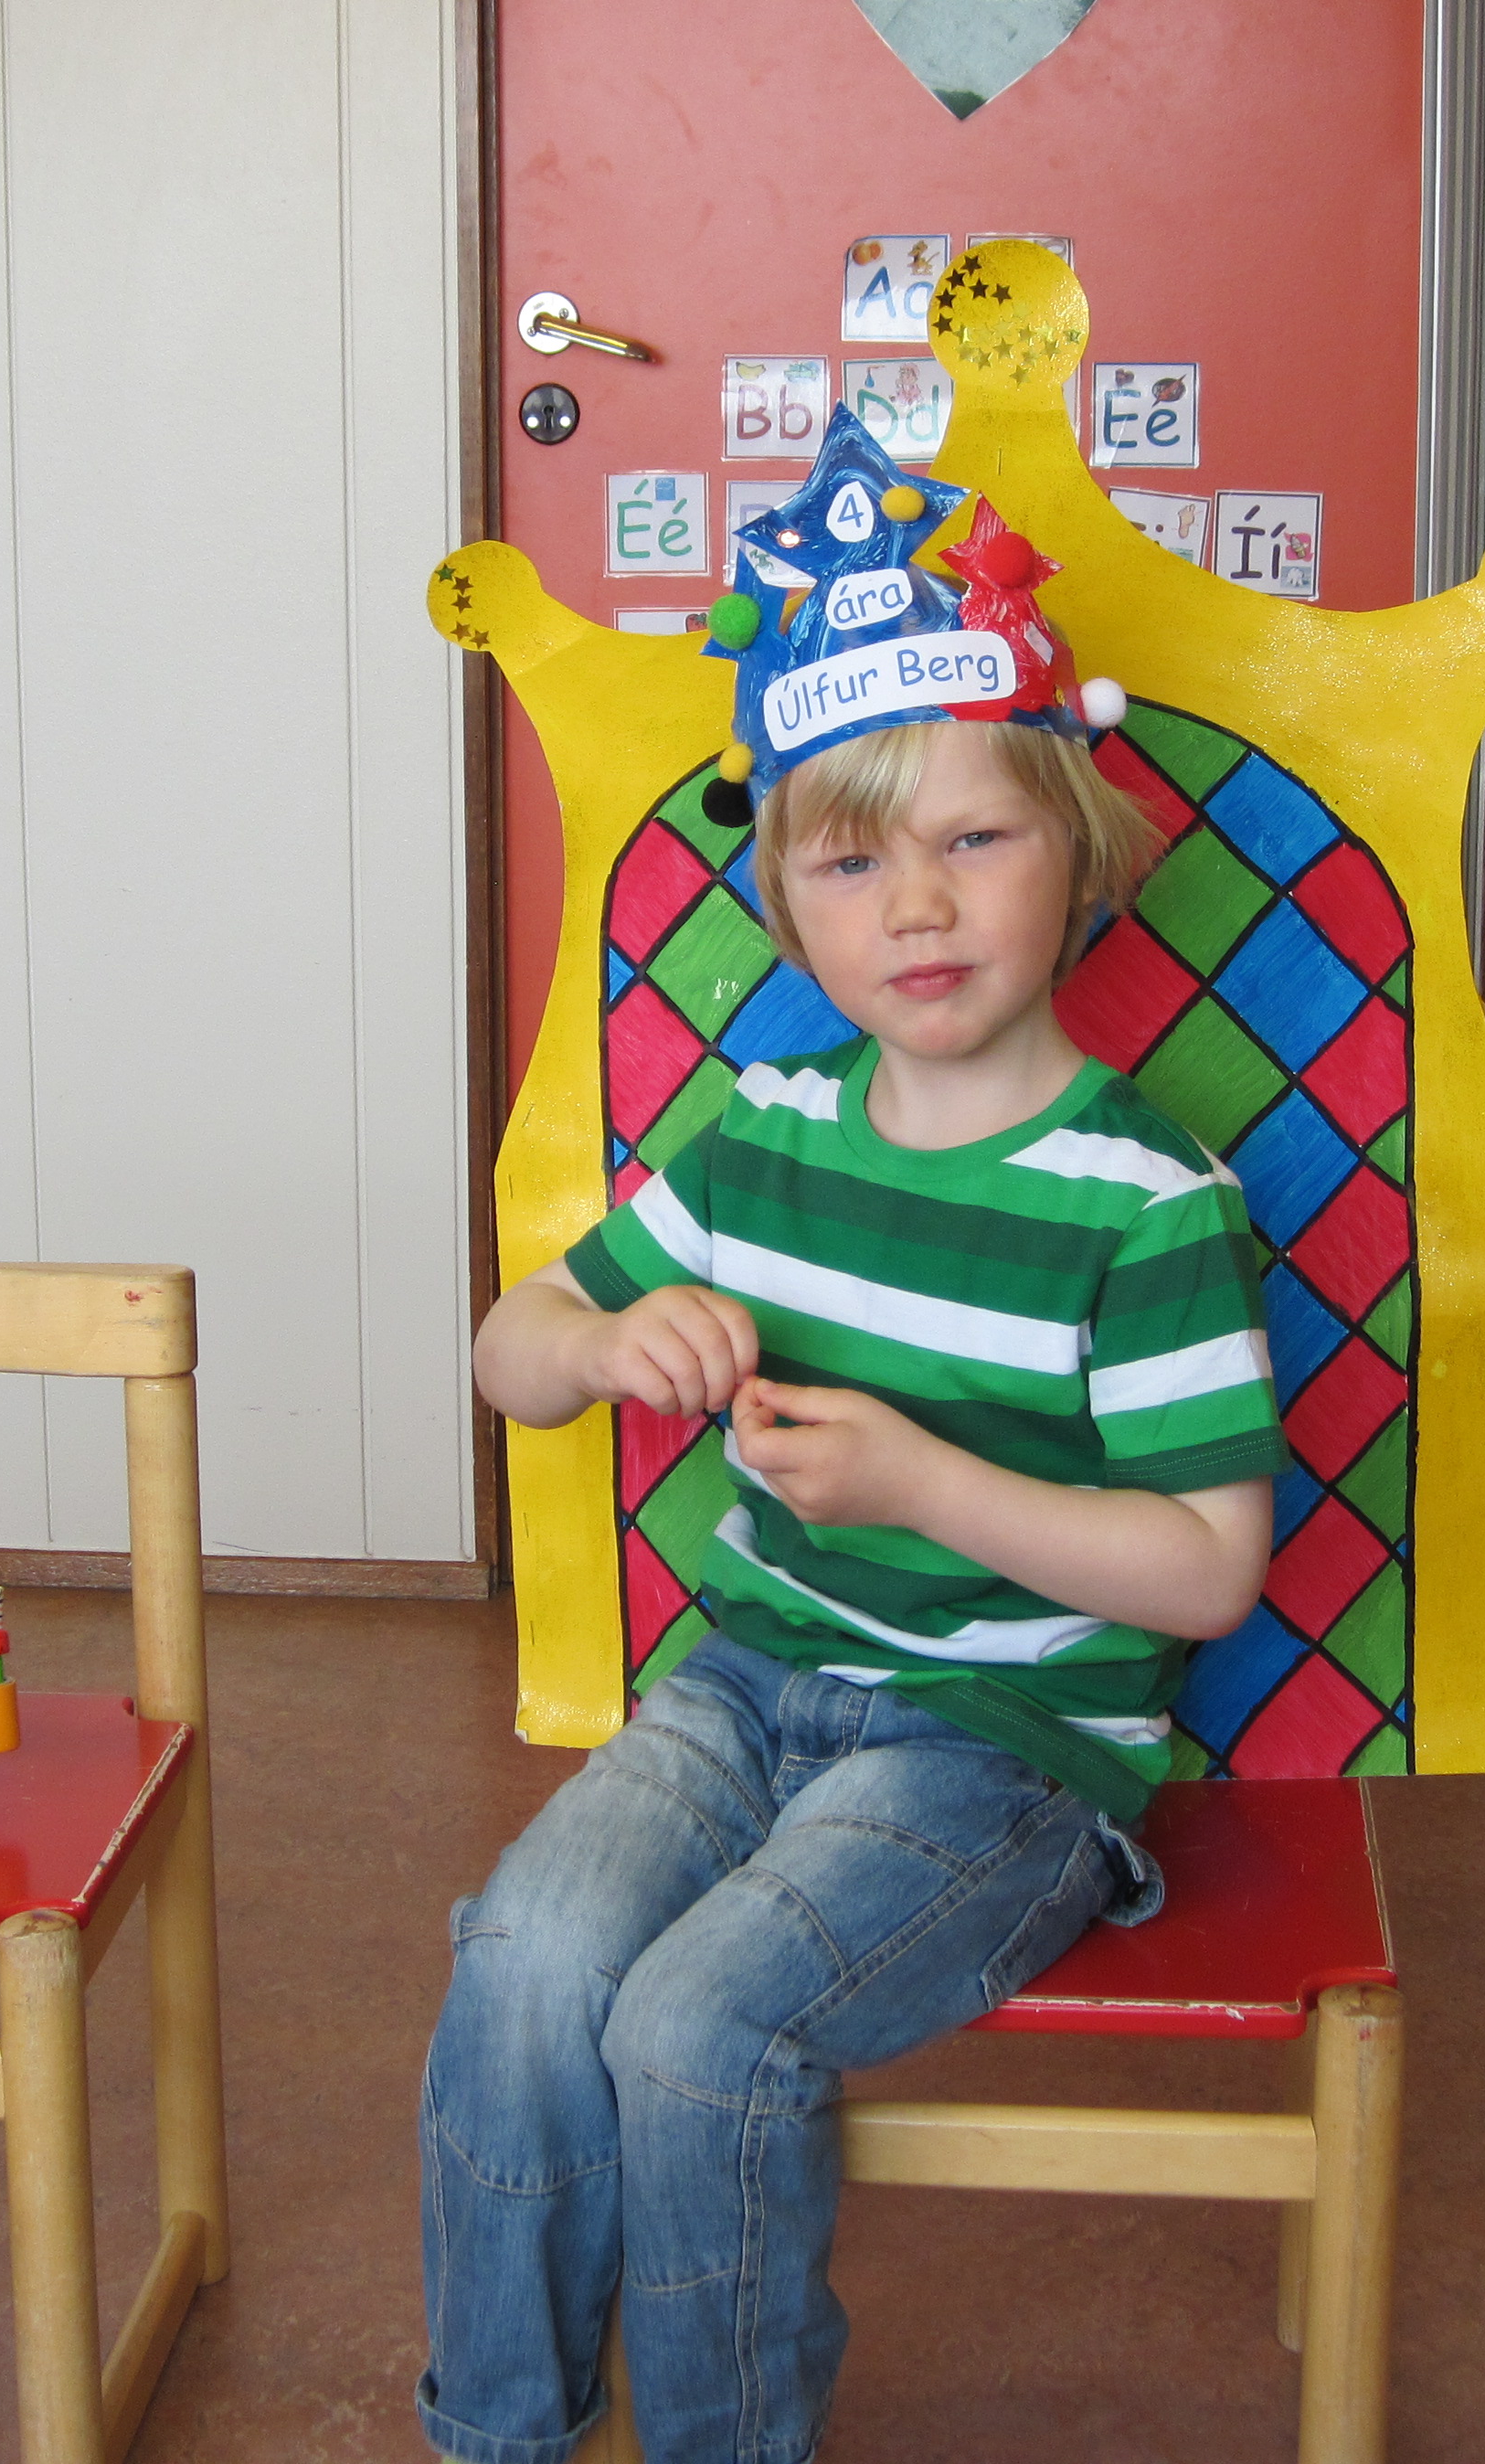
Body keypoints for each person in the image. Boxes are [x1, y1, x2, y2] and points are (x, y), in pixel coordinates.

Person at [418, 476, 1289, 2464]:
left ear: (1079, 855)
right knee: (527, 1958)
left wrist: (919, 1481)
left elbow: (1204, 1573)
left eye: (975, 840)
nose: (915, 907)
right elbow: (505, 1351)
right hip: (743, 1692)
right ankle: (499, 2436)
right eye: (849, 860)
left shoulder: (1143, 1202)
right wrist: (596, 1343)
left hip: (1002, 1749)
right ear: (788, 905)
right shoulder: (766, 1135)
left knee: (694, 2024)